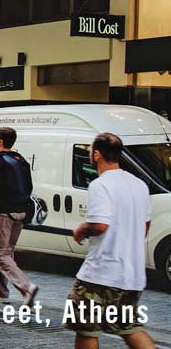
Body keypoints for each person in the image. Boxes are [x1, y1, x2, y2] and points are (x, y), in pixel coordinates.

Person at [65, 132, 156, 349]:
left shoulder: (100, 185)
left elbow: (99, 225)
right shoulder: (139, 184)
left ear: (96, 154)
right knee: (129, 327)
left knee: (86, 329)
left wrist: (80, 230)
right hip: (131, 276)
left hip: (101, 273)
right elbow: (145, 225)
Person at [0, 126, 38, 306]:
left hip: (3, 212)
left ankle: (26, 287)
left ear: (0, 141)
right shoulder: (21, 159)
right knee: (7, 252)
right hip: (21, 211)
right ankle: (1, 292)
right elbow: (29, 187)